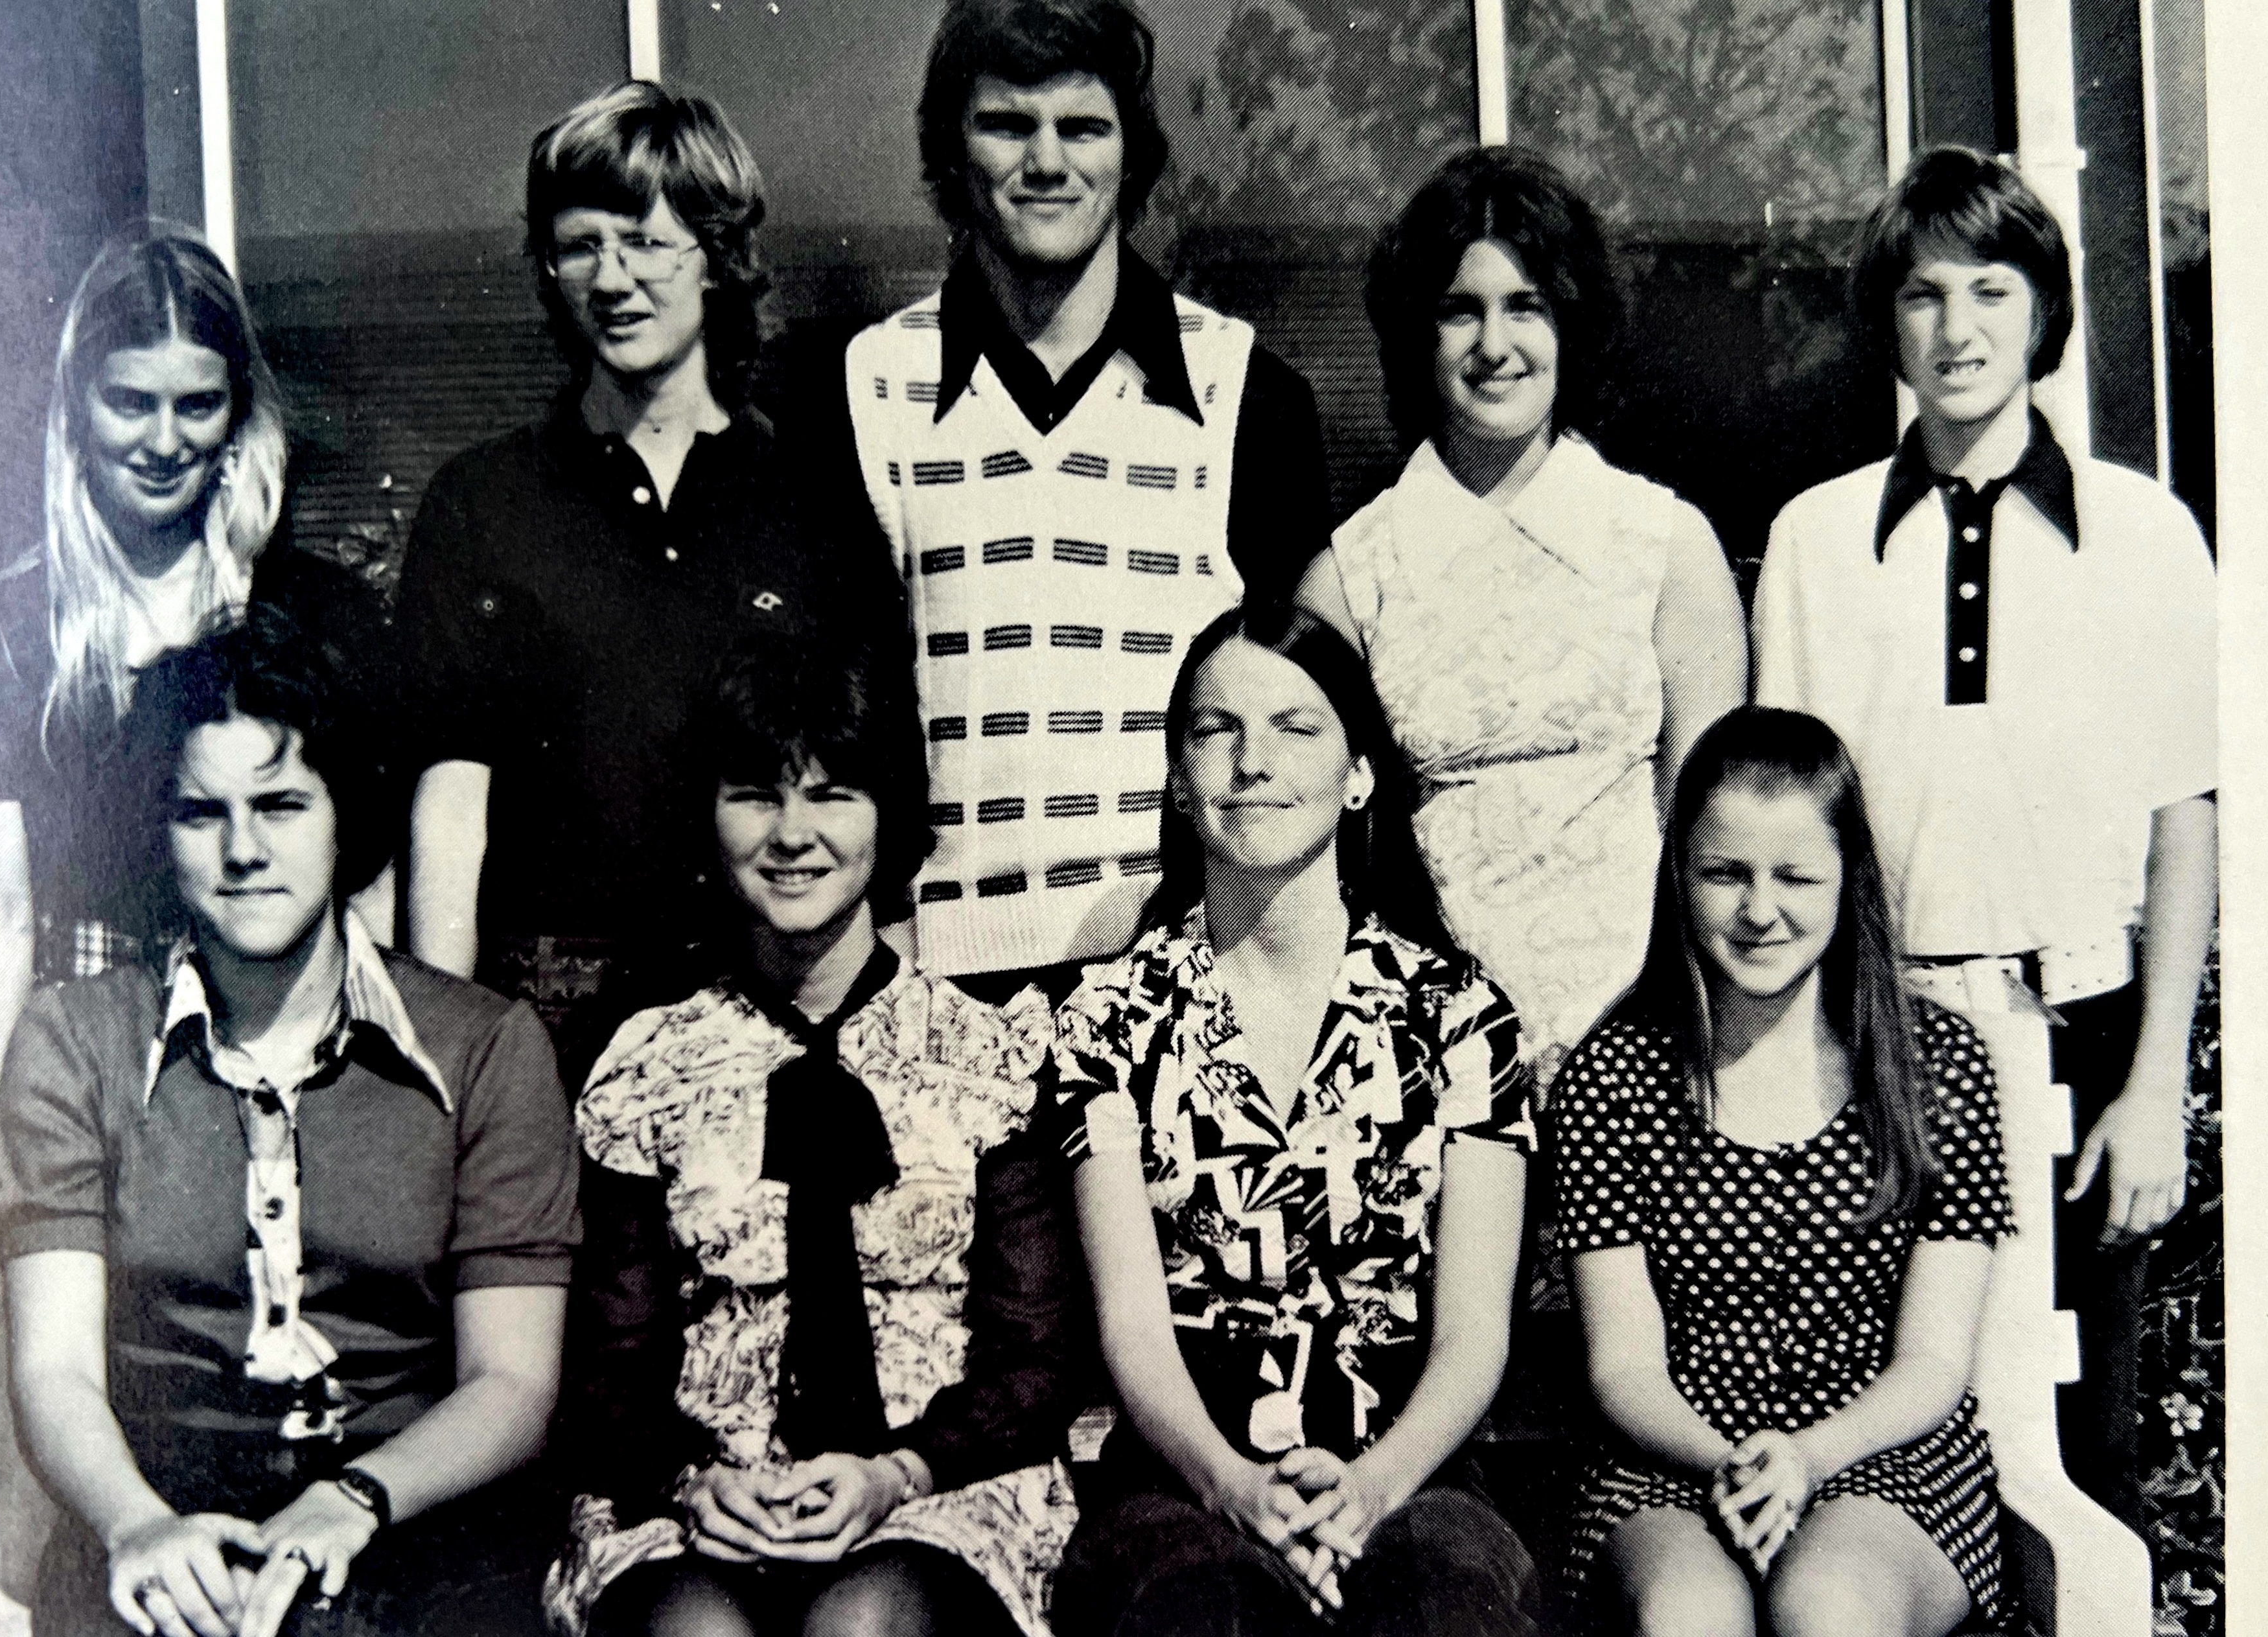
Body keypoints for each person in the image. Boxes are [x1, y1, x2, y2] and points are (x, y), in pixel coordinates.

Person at [1752, 146, 2216, 1529]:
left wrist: (2151, 1094)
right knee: (1897, 1460)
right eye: (1922, 295)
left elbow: (2182, 822)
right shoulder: (1817, 541)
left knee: (2088, 1458)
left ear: (2044, 313)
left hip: (2082, 1026)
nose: (1957, 331)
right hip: (1885, 1045)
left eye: (1992, 292)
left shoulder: (2145, 535)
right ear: (1886, 321)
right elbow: (1784, 839)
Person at [0, 223, 375, 1635]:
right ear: (79, 403)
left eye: (202, 404)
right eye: (135, 402)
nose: (168, 439)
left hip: (261, 1022)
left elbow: (344, 872)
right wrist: (24, 1134)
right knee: (64, 1340)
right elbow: (0, 904)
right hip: (82, 1027)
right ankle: (25, 1597)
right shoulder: (11, 628)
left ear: (240, 409)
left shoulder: (298, 605)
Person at [0, 607, 582, 1637]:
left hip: (411, 1524)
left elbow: (514, 1380)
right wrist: (138, 1525)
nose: (244, 850)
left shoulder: (485, 1047)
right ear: (154, 829)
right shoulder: (72, 1042)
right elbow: (54, 1366)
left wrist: (355, 1500)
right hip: (156, 1519)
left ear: (347, 812)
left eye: (283, 803)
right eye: (200, 813)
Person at [544, 633, 1083, 1637]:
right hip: (696, 1500)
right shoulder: (646, 1059)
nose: (793, 832)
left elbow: (1037, 1356)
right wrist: (693, 1482)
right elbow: (608, 1364)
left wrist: (896, 1474)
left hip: (938, 1490)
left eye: (834, 792)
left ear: (890, 815)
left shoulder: (991, 1052)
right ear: (708, 816)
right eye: (756, 792)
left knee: (864, 1622)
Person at [1048, 605, 1541, 1637]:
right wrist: (1230, 1484)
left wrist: (1372, 1485)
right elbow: (1133, 1326)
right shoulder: (1105, 1019)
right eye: (1216, 729)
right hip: (1182, 1473)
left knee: (1442, 1607)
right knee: (1199, 1614)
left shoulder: (1462, 1019)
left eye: (1295, 727)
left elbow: (1473, 1335)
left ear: (1360, 774)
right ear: (1179, 778)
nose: (1251, 761)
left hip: (1413, 1464)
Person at [840, 0, 1335, 1001]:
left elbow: (1308, 724)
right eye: (1007, 125)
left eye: (1083, 126)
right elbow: (850, 722)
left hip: (1192, 981)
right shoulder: (870, 387)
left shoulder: (1252, 393)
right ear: (952, 147)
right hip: (941, 992)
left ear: (1130, 152)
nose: (1047, 162)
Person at [395, 79, 885, 1086]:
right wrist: (447, 1060)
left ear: (715, 254)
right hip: (546, 1033)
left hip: (766, 1023)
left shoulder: (813, 503)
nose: (610, 278)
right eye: (579, 246)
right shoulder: (480, 505)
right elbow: (450, 804)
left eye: (645, 241)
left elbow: (879, 796)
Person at [1554, 706, 2013, 1637]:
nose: (1760, 910)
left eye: (1795, 875)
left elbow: (1933, 1357)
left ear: (1849, 879)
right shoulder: (1613, 1074)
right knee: (1689, 1615)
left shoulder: (1937, 1067)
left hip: (1887, 1444)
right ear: (1678, 877)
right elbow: (1625, 1363)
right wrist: (1736, 1459)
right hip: (1670, 1449)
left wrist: (1807, 1456)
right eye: (1725, 873)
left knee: (1831, 1607)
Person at [1299, 146, 1746, 1088]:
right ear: (1418, 335)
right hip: (1430, 1060)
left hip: (1643, 1048)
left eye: (1525, 306)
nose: (1493, 344)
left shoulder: (1667, 546)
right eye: (1461, 310)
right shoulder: (1349, 576)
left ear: (1570, 324)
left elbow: (1709, 834)